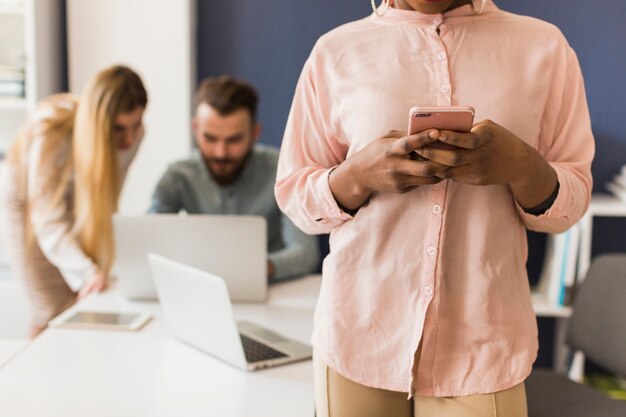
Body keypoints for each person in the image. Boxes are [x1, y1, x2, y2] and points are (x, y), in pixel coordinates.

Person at [275, 0, 594, 416]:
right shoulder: (335, 51)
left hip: (483, 346)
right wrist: (357, 176)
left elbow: (574, 196)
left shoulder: (544, 47)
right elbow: (293, 192)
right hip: (357, 333)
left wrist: (521, 166)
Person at [0, 65, 148, 338]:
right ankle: (40, 375)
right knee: (50, 310)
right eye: (117, 129)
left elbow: (108, 198)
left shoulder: (132, 137)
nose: (128, 139)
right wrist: (86, 270)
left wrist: (92, 268)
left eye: (135, 124)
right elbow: (48, 219)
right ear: (98, 121)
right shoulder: (52, 132)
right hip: (28, 208)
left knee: (82, 300)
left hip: (78, 204)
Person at [149, 76, 319, 282]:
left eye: (234, 140)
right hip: (200, 290)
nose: (221, 153)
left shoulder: (283, 171)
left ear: (255, 132)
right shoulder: (177, 176)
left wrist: (260, 267)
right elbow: (150, 241)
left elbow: (305, 253)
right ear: (195, 129)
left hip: (273, 292)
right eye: (210, 138)